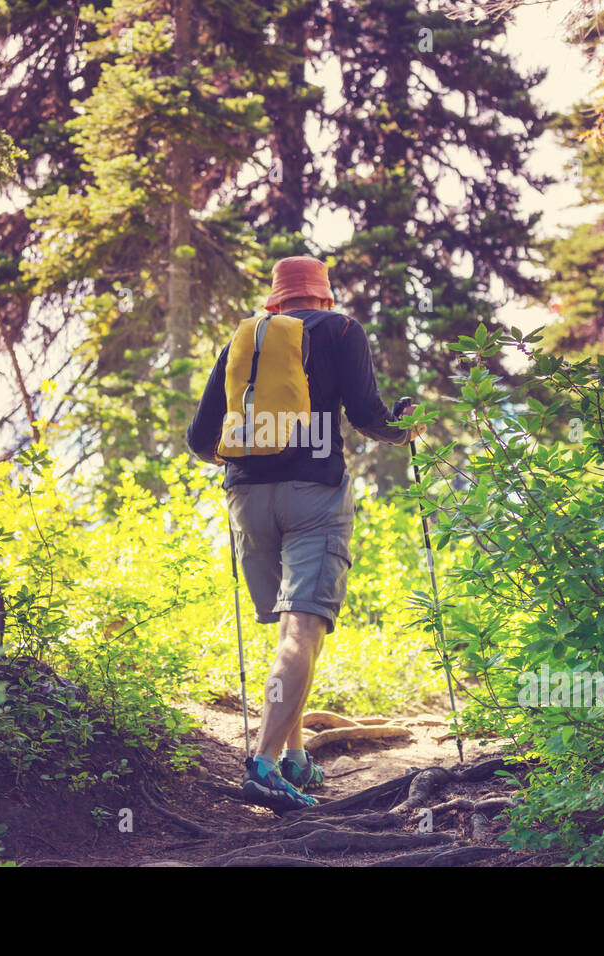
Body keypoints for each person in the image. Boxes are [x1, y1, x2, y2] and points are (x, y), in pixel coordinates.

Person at [187, 255, 423, 811]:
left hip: (247, 498)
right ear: (323, 297)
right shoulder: (342, 331)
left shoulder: (244, 343)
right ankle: (264, 765)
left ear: (274, 303)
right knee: (303, 630)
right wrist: (406, 424)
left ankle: (295, 759)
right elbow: (369, 417)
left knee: (289, 634)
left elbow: (201, 440)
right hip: (314, 494)